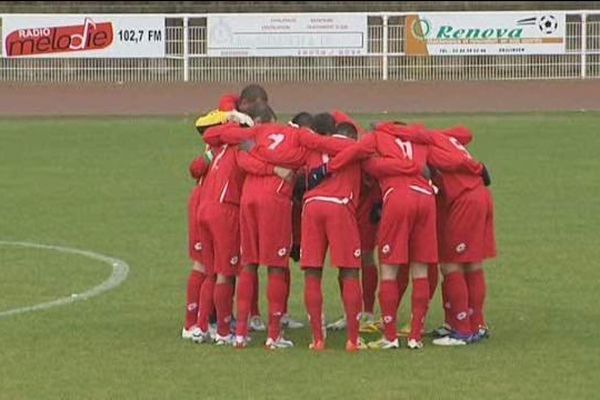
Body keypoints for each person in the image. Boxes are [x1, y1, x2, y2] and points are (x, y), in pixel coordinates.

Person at [204, 106, 349, 349]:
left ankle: (239, 335)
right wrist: (278, 166)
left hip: (248, 198)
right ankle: (273, 336)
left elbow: (213, 137)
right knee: (276, 268)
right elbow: (334, 148)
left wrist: (236, 124)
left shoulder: (260, 131)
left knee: (249, 264)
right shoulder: (302, 137)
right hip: (275, 200)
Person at [388, 126, 495, 345]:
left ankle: (464, 331)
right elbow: (466, 133)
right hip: (479, 196)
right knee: (472, 264)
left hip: (466, 200)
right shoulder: (447, 140)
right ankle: (473, 324)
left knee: (451, 265)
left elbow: (453, 162)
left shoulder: (429, 148)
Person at [301, 120, 365, 352]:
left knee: (312, 272)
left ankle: (318, 339)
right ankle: (353, 340)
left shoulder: (312, 146)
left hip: (312, 205)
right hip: (339, 206)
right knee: (349, 271)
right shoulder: (356, 149)